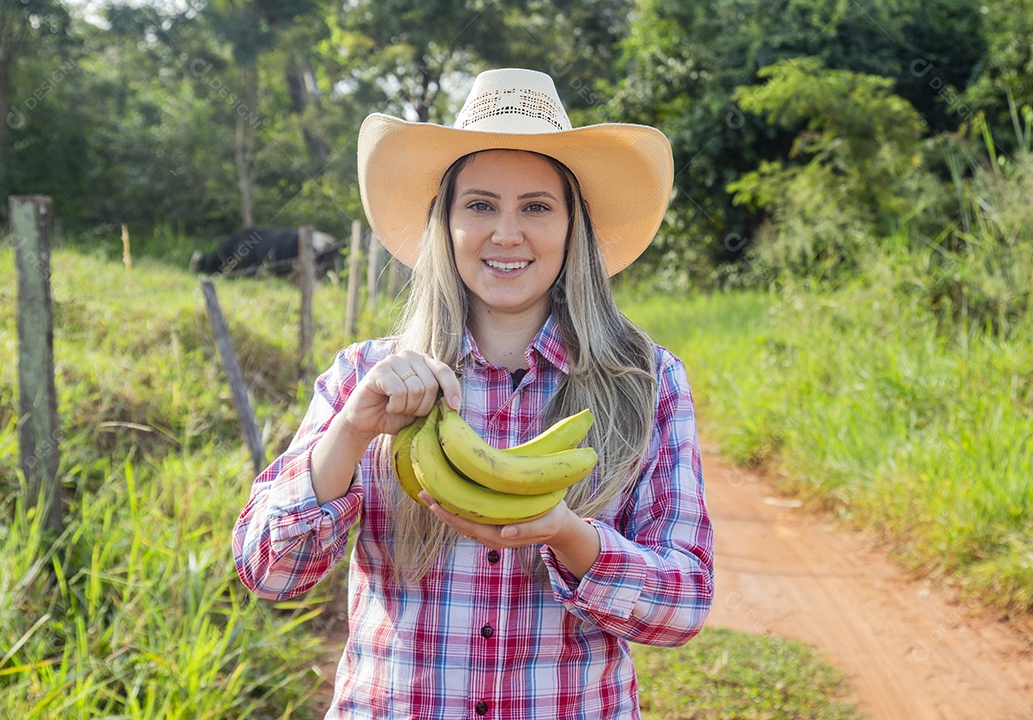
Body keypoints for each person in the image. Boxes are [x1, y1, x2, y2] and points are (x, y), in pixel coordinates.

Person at [232, 67, 714, 719]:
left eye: (536, 207)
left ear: (574, 226)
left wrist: (571, 537)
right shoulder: (364, 376)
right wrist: (349, 432)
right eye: (480, 205)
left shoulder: (647, 381)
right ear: (445, 222)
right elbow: (270, 572)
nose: (506, 234)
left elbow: (682, 607)